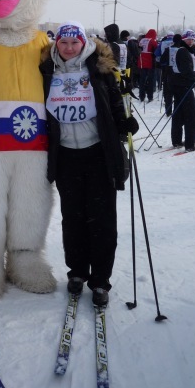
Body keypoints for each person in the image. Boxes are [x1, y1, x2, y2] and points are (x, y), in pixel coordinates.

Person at [40, 21, 139, 307]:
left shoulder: (98, 68)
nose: (69, 48)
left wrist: (123, 123)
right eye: (64, 42)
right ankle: (77, 272)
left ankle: (101, 280)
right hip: (65, 155)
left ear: (83, 43)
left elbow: (114, 102)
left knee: (102, 218)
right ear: (56, 44)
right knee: (73, 218)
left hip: (97, 153)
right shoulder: (46, 70)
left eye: (75, 42)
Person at [168, 30, 195, 151]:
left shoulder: (181, 49)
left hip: (178, 84)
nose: (191, 41)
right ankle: (190, 144)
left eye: (192, 39)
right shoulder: (183, 51)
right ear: (183, 39)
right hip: (184, 85)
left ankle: (176, 140)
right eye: (188, 39)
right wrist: (194, 77)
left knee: (179, 113)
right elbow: (185, 70)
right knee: (190, 115)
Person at [137, 29, 158, 102]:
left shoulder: (142, 40)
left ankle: (141, 96)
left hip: (142, 61)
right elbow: (156, 50)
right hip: (150, 61)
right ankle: (150, 96)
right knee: (150, 80)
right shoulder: (153, 41)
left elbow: (139, 47)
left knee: (142, 80)